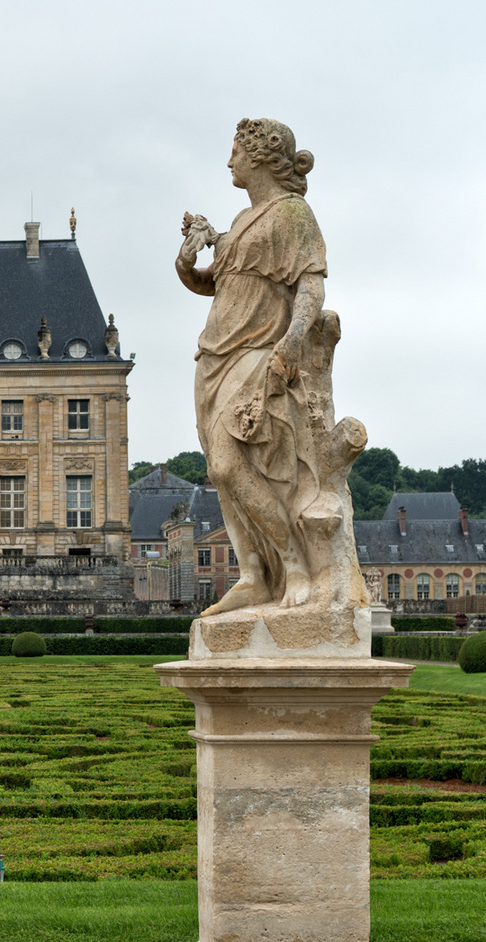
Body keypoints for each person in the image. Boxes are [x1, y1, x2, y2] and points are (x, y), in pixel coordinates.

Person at [176, 117, 361, 618]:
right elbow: (216, 284)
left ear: (262, 155)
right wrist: (187, 261)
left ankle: (293, 565)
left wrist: (290, 345)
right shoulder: (240, 221)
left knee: (226, 462)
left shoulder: (293, 214)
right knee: (223, 475)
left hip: (258, 352)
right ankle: (254, 574)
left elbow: (311, 286)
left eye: (236, 150)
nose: (229, 160)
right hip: (214, 356)